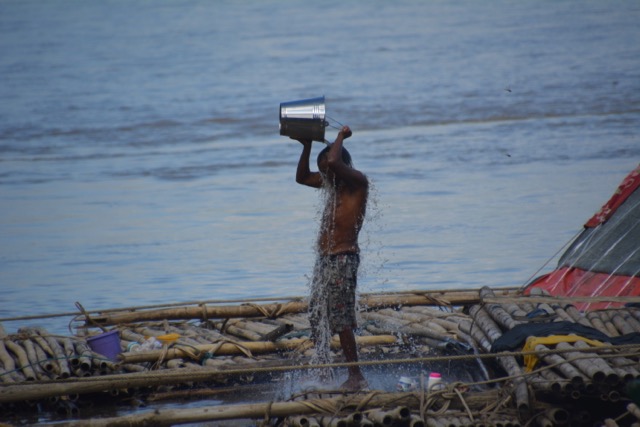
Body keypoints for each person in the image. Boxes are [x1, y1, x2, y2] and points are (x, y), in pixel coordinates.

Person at [294, 125, 369, 390]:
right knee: (317, 314)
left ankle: (355, 375)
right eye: (324, 172)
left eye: (328, 170)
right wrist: (306, 145)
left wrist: (339, 136)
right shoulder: (331, 182)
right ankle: (324, 369)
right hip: (325, 259)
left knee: (340, 318)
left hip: (343, 259)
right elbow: (302, 177)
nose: (325, 176)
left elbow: (335, 160)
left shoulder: (357, 182)